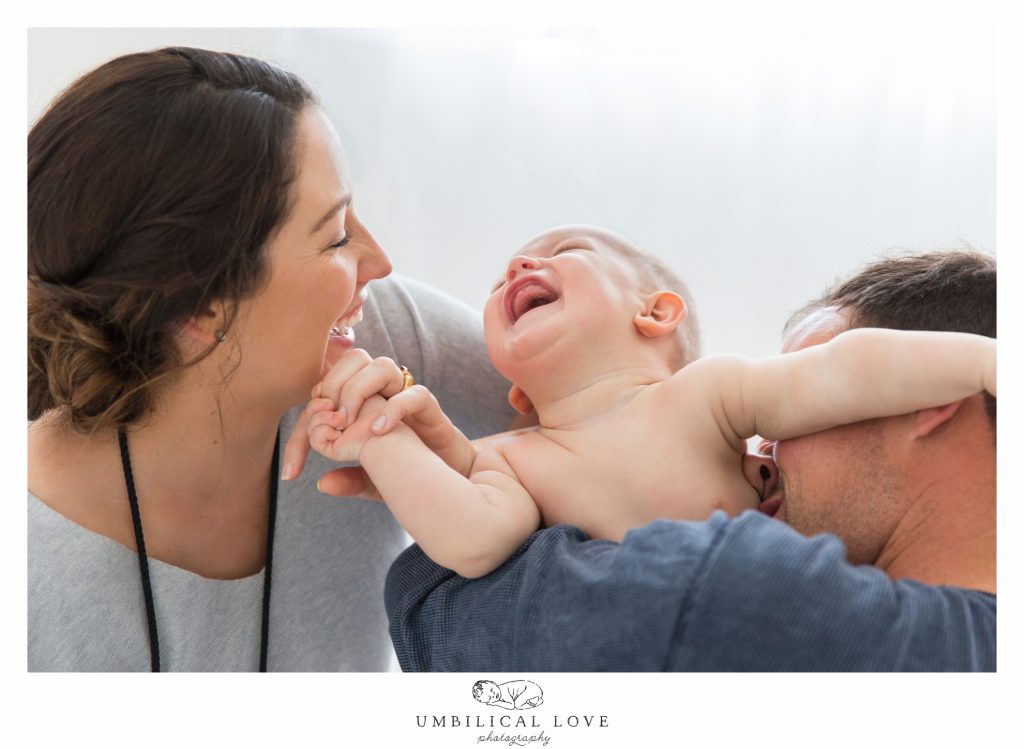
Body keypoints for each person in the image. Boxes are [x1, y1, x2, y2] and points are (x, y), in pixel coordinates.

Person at [27, 47, 515, 671]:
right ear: (199, 307)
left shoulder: (378, 342)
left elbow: (639, 421)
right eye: (335, 235)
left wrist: (475, 471)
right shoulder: (38, 593)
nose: (380, 260)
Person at [379, 248, 997, 671]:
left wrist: (393, 445)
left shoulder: (745, 593)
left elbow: (433, 599)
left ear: (929, 397)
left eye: (798, 406)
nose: (759, 447)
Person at [297, 226, 994, 585]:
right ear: (516, 390)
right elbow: (471, 542)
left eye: (563, 251)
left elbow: (849, 370)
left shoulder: (711, 397)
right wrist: (384, 437)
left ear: (656, 312)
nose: (517, 268)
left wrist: (992, 362)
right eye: (499, 276)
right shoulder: (510, 459)